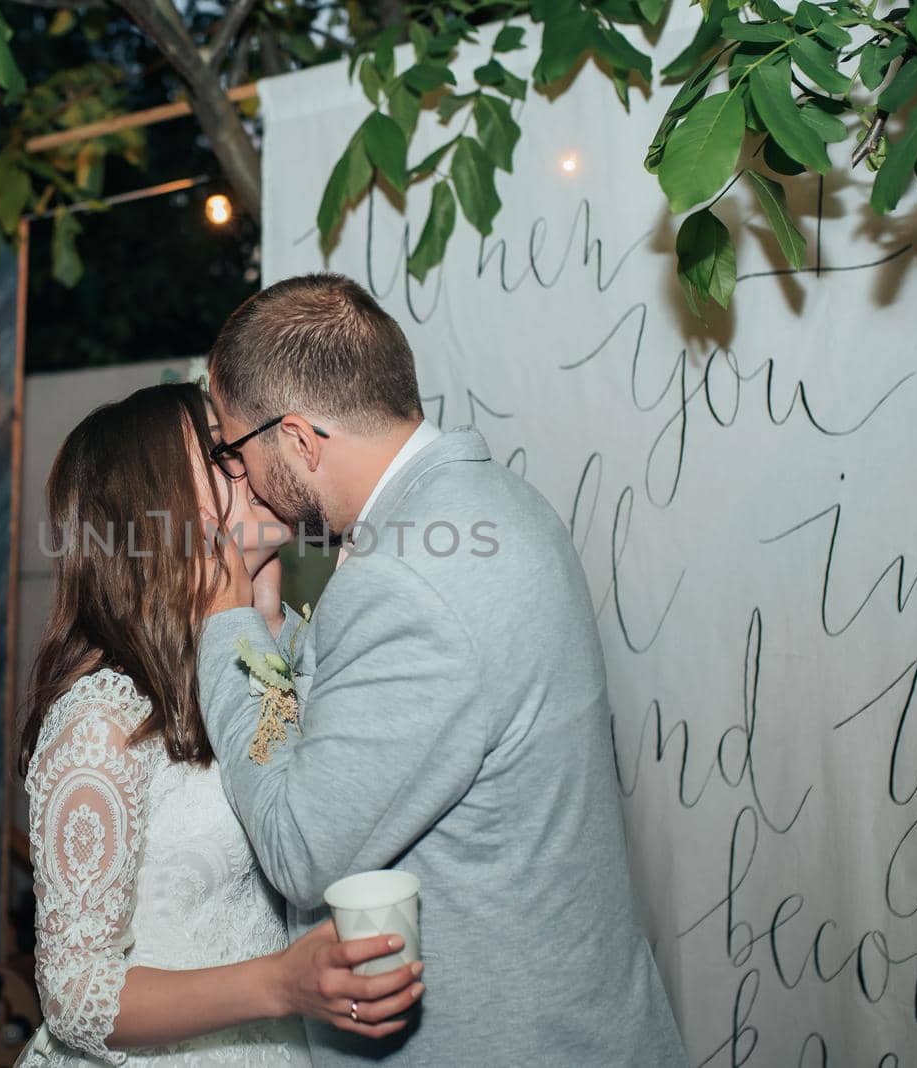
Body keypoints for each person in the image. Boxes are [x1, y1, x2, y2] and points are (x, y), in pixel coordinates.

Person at [197, 274, 689, 1066]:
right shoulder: (498, 506)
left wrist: (226, 627)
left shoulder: (407, 580)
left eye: (234, 446)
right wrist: (273, 628)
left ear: (297, 439)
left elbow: (298, 847)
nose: (240, 476)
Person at [15, 382, 426, 1066]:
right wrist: (279, 984)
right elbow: (76, 995)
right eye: (220, 452)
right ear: (157, 511)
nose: (253, 457)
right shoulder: (100, 719)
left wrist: (258, 627)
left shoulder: (275, 657)